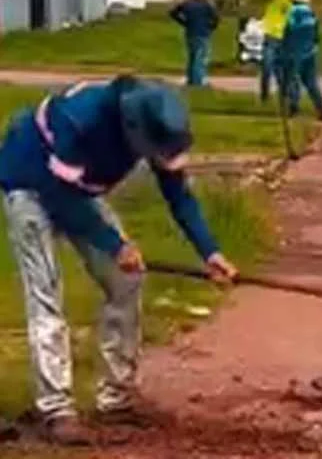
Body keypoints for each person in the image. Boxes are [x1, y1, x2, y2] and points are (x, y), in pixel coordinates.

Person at [0, 75, 239, 446]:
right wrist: (113, 245)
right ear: (133, 130)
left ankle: (116, 397)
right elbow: (59, 196)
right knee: (46, 294)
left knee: (127, 280)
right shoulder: (81, 118)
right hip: (30, 186)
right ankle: (56, 409)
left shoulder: (156, 125)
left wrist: (210, 252)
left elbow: (179, 196)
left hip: (79, 189)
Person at [278, 0, 322, 121]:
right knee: (311, 82)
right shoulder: (309, 12)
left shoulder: (290, 11)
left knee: (293, 79)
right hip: (309, 50)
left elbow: (285, 30)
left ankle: (293, 108)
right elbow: (316, 34)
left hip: (293, 50)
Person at [169, 0, 219, 87]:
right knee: (200, 57)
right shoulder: (207, 5)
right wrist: (211, 27)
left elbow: (173, 13)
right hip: (203, 33)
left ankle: (191, 79)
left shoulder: (186, 4)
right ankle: (199, 80)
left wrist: (184, 22)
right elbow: (215, 18)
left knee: (192, 57)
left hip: (190, 32)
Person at [258, 0, 295, 104]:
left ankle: (284, 93)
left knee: (279, 68)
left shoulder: (288, 2)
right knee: (267, 67)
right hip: (270, 36)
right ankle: (265, 94)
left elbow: (290, 17)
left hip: (282, 37)